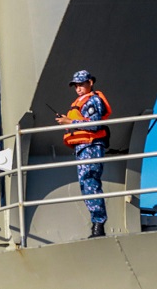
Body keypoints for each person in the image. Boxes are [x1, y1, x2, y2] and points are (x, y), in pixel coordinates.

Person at [55, 69, 112, 238]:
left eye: (81, 84)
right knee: (86, 184)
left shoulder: (93, 100)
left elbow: (94, 125)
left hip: (91, 146)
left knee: (90, 181)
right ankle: (96, 224)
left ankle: (98, 225)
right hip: (83, 147)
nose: (78, 88)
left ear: (90, 83)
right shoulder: (82, 101)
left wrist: (70, 122)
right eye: (76, 85)